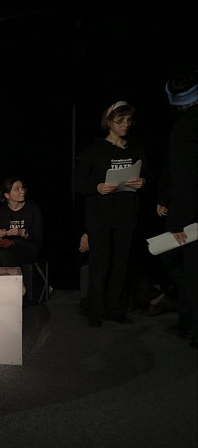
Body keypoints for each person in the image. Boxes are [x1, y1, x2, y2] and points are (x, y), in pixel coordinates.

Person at [74, 101, 148, 327]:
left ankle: (116, 309)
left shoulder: (135, 149)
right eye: (120, 121)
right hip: (100, 217)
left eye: (128, 121)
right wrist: (97, 187)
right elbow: (79, 182)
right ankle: (95, 311)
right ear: (109, 122)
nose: (126, 125)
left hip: (126, 215)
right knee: (100, 264)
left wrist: (143, 182)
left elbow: (148, 175)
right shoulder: (95, 150)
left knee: (121, 264)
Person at [156, 67, 198, 348]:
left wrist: (168, 200)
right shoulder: (183, 127)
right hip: (186, 206)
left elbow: (181, 171)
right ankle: (187, 319)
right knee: (184, 264)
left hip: (188, 209)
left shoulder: (183, 128)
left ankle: (191, 323)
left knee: (178, 261)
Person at [0, 177, 44, 296]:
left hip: (28, 246)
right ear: (7, 195)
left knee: (6, 255)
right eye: (17, 189)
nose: (22, 191)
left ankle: (16, 289)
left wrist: (22, 232)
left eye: (22, 188)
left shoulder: (32, 209)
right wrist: (0, 235)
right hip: (7, 246)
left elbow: (37, 238)